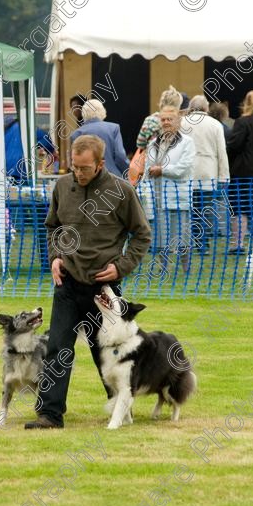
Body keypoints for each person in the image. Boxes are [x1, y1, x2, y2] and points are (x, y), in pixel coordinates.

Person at [24, 135, 151, 429]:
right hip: (67, 283)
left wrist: (121, 268)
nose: (78, 173)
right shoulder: (62, 187)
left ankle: (122, 407)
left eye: (84, 168)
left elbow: (142, 234)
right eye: (74, 167)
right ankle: (50, 415)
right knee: (57, 348)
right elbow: (53, 227)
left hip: (102, 290)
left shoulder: (121, 191)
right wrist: (55, 256)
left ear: (100, 164)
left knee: (105, 351)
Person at [144, 106, 196, 273]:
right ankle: (163, 268)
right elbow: (147, 168)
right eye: (163, 119)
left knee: (183, 236)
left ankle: (186, 268)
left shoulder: (187, 142)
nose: (166, 122)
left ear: (178, 121)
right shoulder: (153, 143)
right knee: (161, 237)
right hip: (158, 197)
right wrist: (151, 171)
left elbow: (183, 168)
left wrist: (162, 170)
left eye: (169, 119)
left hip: (179, 198)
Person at [181, 95, 230, 254]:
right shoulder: (216, 124)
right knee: (206, 208)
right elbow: (222, 152)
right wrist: (224, 176)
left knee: (190, 208)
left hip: (186, 172)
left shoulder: (182, 122)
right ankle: (203, 243)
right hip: (208, 173)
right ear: (206, 108)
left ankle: (190, 241)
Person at [227, 90, 253, 254]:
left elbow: (234, 146)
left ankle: (238, 244)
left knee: (239, 208)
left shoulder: (242, 122)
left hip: (243, 173)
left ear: (247, 102)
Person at [70, 100, 129, 177]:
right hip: (112, 178)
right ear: (102, 111)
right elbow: (120, 156)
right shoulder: (113, 128)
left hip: (87, 178)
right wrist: (126, 173)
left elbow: (74, 162)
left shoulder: (76, 134)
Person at [136, 86, 183, 152]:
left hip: (152, 159)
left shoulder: (149, 120)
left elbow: (140, 144)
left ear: (161, 103)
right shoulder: (181, 121)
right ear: (178, 105)